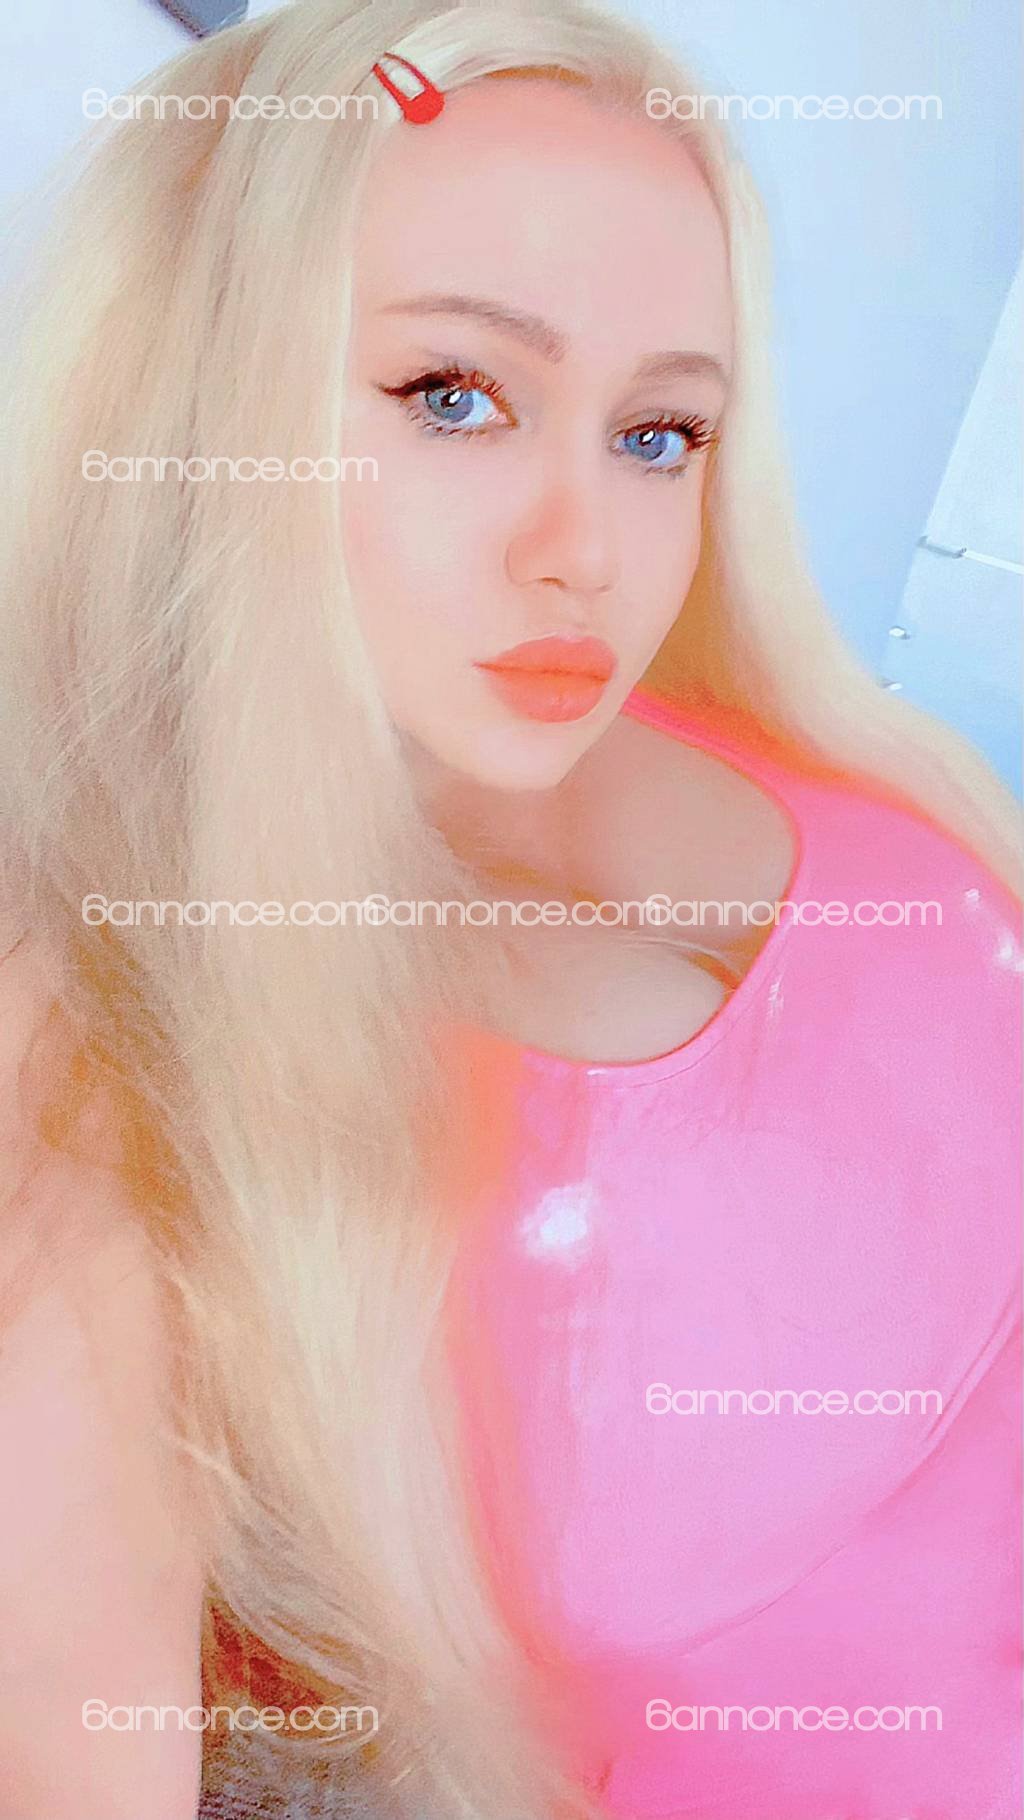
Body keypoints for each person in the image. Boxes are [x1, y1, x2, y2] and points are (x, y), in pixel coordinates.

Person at [0, 2, 1020, 1816]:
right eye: (454, 396)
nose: (585, 548)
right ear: (193, 405)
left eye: (660, 432)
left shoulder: (862, 810)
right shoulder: (88, 1074)